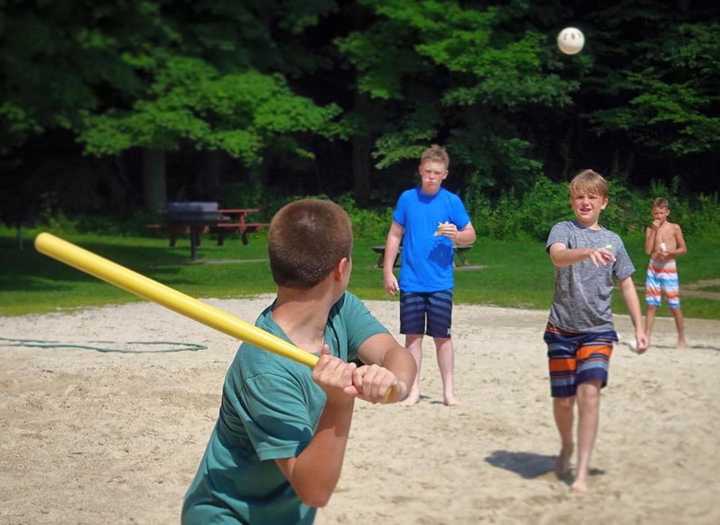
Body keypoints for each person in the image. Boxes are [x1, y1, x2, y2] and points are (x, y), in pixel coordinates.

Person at [182, 199, 416, 524]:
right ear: (341, 268)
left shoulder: (340, 309)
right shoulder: (264, 368)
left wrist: (397, 384)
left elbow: (394, 354)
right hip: (230, 515)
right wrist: (339, 402)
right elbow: (314, 490)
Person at [543, 169, 648, 493]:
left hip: (598, 331)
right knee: (564, 402)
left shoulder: (614, 241)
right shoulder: (563, 229)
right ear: (572, 201)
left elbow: (627, 284)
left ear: (603, 202)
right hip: (561, 328)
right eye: (579, 196)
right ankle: (566, 446)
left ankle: (583, 470)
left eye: (592, 196)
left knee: (589, 394)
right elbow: (558, 258)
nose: (585, 201)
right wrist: (587, 252)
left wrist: (639, 327)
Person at [382, 144, 476, 406]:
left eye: (436, 172)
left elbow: (471, 234)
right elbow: (394, 235)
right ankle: (413, 390)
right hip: (411, 281)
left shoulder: (451, 201)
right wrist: (389, 271)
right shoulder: (407, 199)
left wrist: (456, 235)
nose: (431, 176)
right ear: (420, 171)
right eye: (427, 171)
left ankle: (448, 391)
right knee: (412, 337)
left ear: (445, 174)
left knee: (442, 338)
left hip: (440, 282)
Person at [644, 197, 688, 348]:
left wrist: (670, 252)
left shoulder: (674, 228)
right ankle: (647, 337)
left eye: (661, 213)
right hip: (654, 266)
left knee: (673, 304)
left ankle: (681, 337)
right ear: (652, 213)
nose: (658, 216)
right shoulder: (650, 228)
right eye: (656, 213)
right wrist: (653, 231)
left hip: (668, 266)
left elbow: (683, 248)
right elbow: (648, 250)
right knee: (651, 304)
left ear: (667, 212)